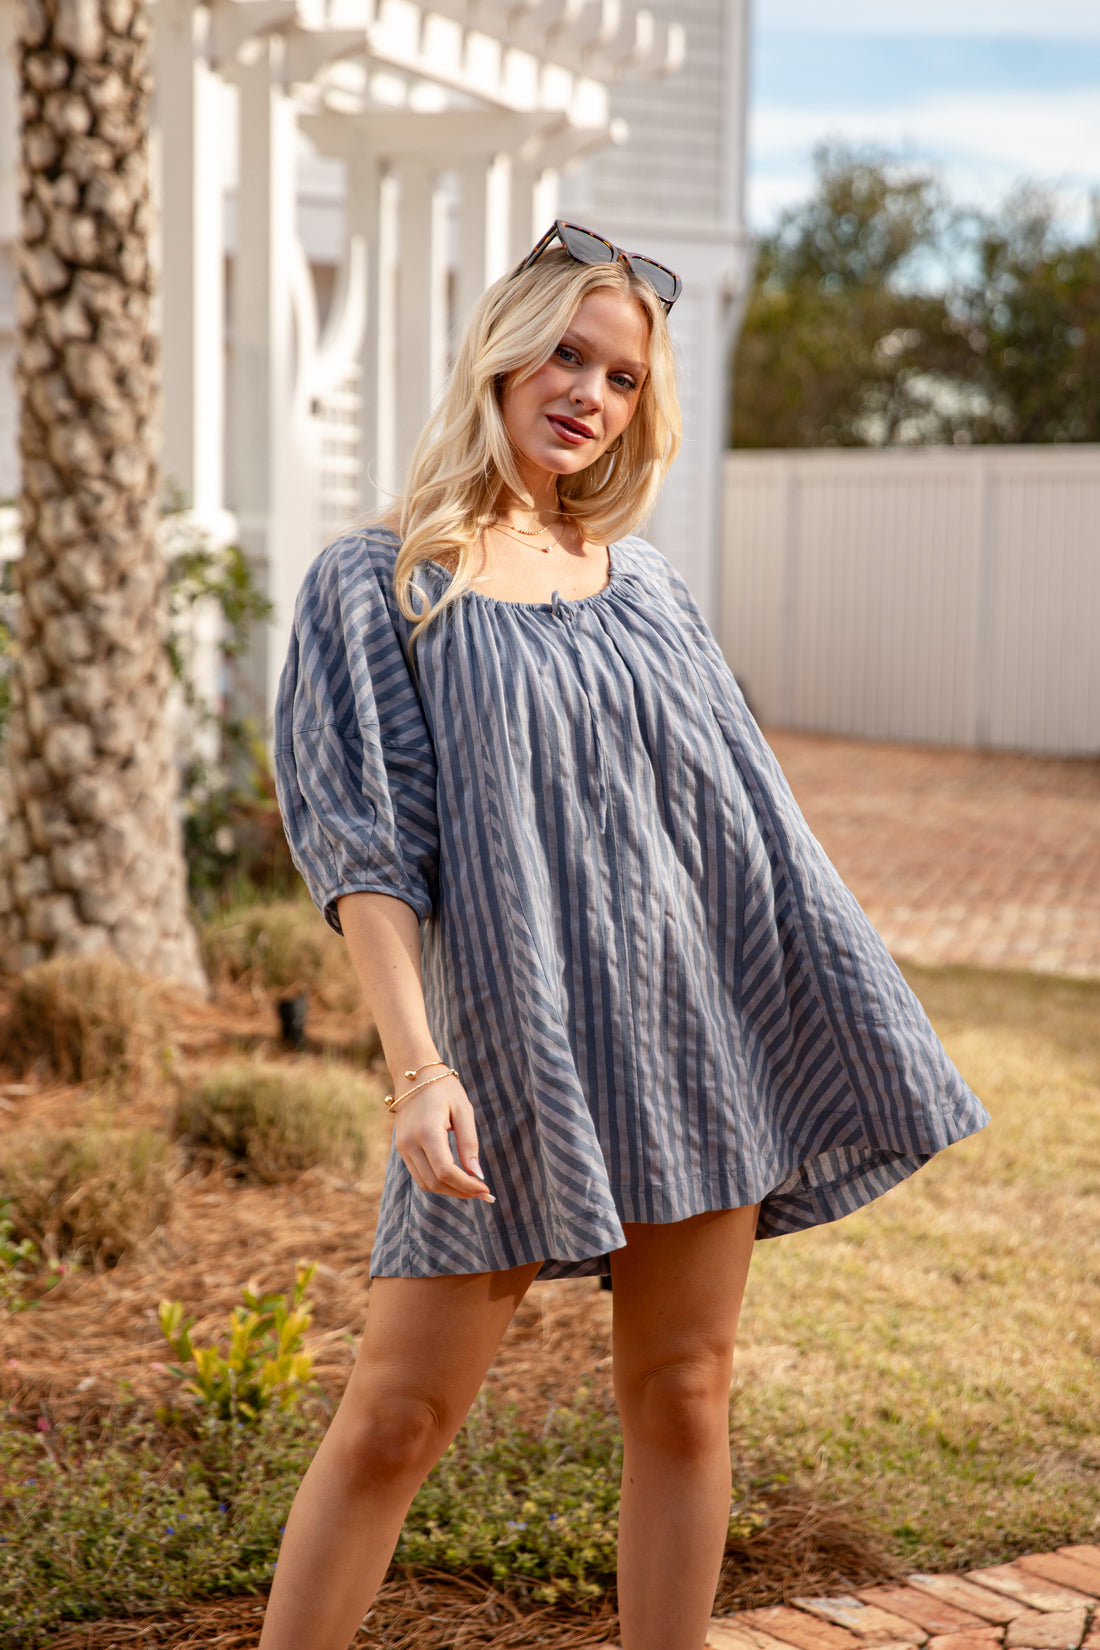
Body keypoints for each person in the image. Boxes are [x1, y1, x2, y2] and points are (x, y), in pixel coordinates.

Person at [263, 221, 989, 1650]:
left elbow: (747, 828)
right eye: (566, 350)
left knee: (683, 1392)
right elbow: (366, 855)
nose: (587, 388)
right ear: (503, 349)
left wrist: (832, 1017)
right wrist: (419, 1070)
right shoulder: (387, 578)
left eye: (620, 373)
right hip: (511, 1048)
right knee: (397, 1415)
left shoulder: (646, 586)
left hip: (691, 1040)